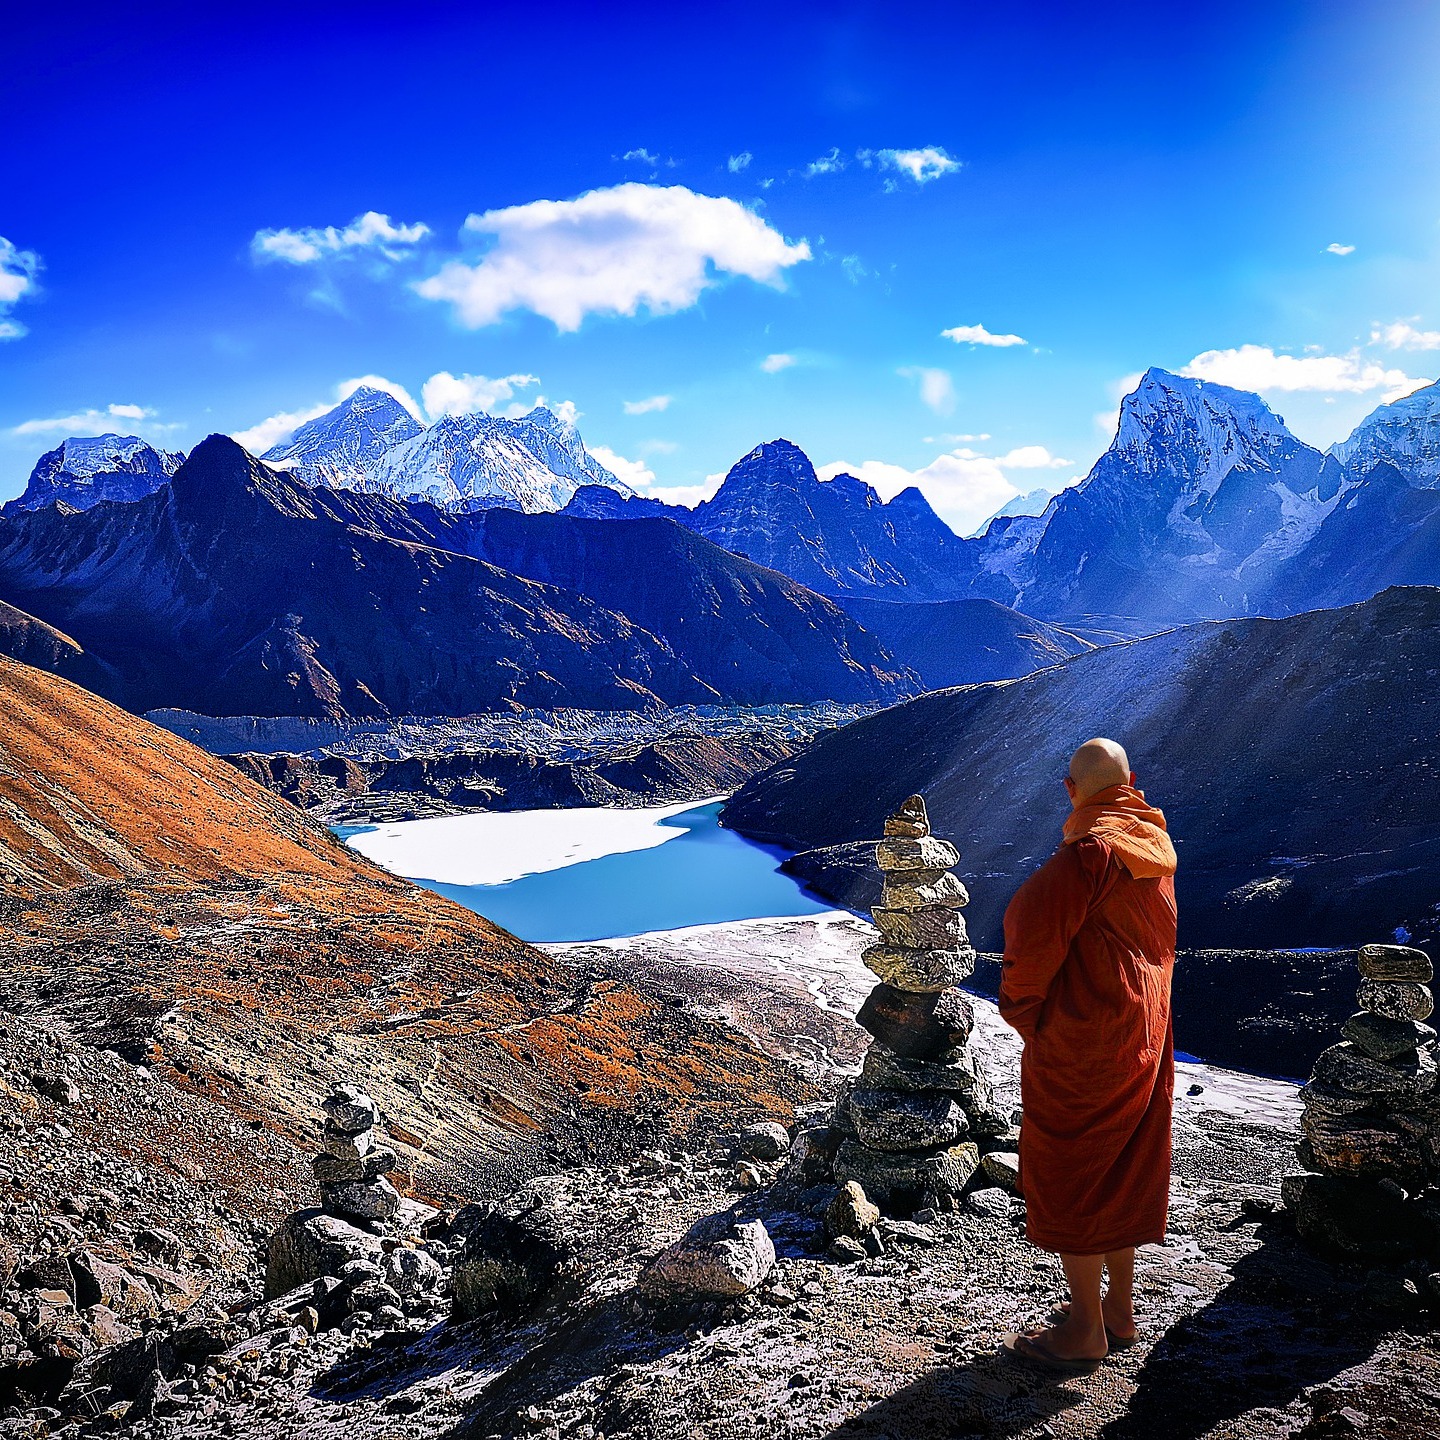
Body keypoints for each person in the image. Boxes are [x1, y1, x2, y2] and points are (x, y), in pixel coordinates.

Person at [998, 737, 1178, 1374]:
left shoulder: (1090, 855)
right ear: (1133, 782)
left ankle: (1082, 1329)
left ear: (1072, 792)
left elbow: (1029, 926)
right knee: (1123, 1161)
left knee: (1073, 1165)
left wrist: (1029, 1017)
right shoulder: (1151, 846)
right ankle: (1117, 1312)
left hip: (1085, 1041)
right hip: (1146, 1034)